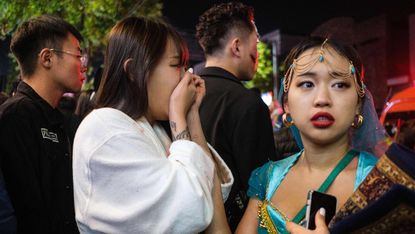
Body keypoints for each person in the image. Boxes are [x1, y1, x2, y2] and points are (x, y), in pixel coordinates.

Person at [72, 16, 233, 233]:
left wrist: (191, 117)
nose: (187, 77)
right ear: (134, 71)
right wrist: (178, 115)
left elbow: (209, 194)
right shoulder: (104, 128)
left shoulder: (154, 128)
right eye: (177, 65)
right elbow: (190, 207)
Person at [236, 37, 387, 233]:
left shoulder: (380, 182)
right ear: (287, 105)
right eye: (307, 84)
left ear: (359, 104)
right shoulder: (267, 177)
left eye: (339, 85)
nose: (322, 99)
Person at [0, 15, 87, 233]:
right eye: (78, 55)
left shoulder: (55, 117)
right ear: (47, 58)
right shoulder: (15, 116)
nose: (83, 66)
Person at [195, 2, 278, 229]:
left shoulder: (180, 98)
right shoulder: (248, 105)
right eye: (257, 43)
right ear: (237, 47)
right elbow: (265, 191)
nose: (257, 53)